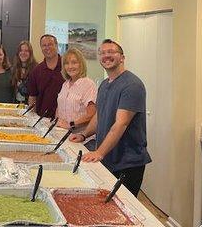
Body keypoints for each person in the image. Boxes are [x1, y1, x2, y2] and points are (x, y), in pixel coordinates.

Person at [70, 39, 151, 197]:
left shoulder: (132, 85)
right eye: (102, 53)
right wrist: (83, 134)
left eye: (111, 52)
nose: (106, 56)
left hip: (126, 162)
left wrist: (99, 152)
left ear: (122, 57)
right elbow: (99, 116)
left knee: (122, 209)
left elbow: (121, 123)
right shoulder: (105, 84)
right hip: (108, 158)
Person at [56, 47, 97, 150]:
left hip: (84, 140)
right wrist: (57, 122)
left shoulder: (88, 84)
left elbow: (91, 114)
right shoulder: (65, 84)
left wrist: (71, 124)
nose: (70, 66)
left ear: (81, 64)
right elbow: (59, 107)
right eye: (67, 63)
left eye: (74, 62)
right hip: (64, 136)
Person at [27, 34, 65, 118]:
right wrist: (32, 118)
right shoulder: (36, 71)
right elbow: (32, 97)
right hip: (42, 120)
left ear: (56, 45)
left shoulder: (66, 66)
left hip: (65, 120)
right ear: (41, 48)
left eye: (50, 44)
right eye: (44, 45)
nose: (47, 48)